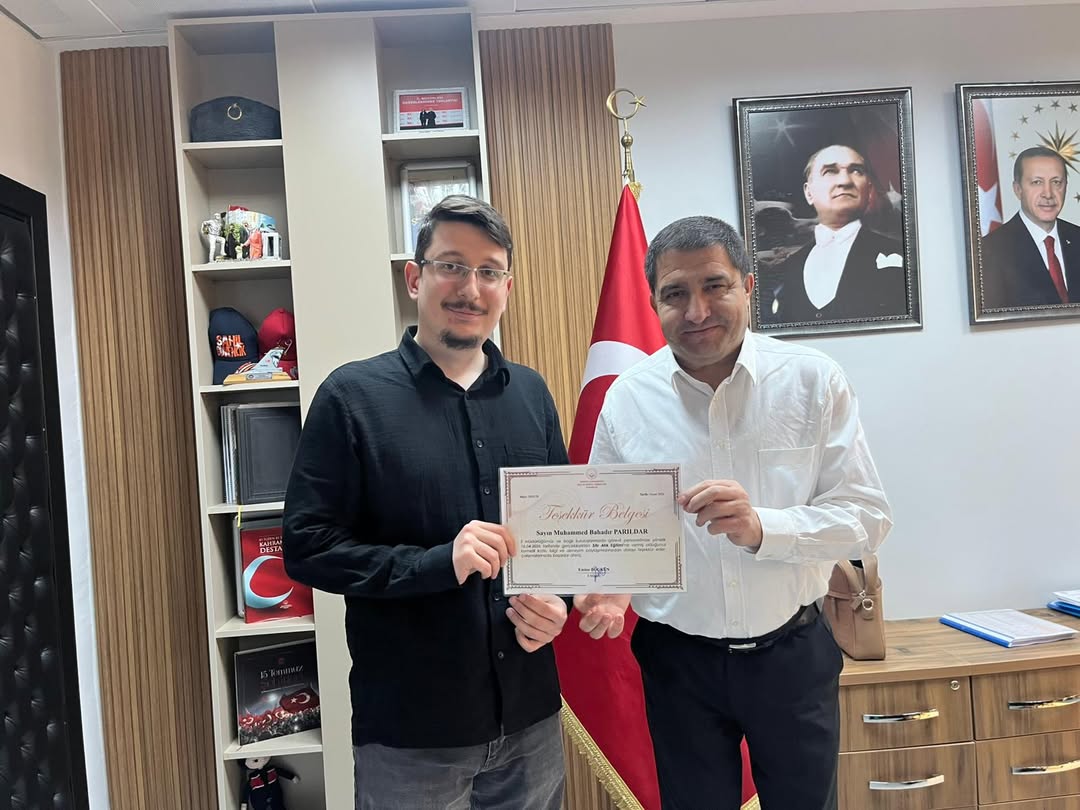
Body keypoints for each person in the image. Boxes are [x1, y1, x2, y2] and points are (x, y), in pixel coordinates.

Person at [283, 195, 605, 810]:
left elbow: (562, 536)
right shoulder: (351, 397)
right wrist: (437, 562)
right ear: (415, 277)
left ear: (507, 288)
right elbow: (308, 548)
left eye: (489, 271)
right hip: (411, 734)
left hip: (531, 721)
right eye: (451, 266)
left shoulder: (531, 394)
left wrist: (559, 603)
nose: (470, 288)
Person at [586, 215, 893, 809]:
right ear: (653, 304)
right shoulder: (626, 399)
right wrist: (606, 586)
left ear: (748, 286)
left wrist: (763, 527)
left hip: (792, 655)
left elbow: (867, 516)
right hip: (677, 661)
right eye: (675, 294)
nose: (697, 310)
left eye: (714, 286)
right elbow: (608, 525)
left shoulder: (812, 381)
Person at [766, 143, 907, 324]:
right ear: (809, 193)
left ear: (869, 190)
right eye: (830, 171)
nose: (845, 181)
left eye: (856, 171)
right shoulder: (791, 266)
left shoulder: (899, 253)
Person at [981, 146, 1078, 308]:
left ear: (1066, 187)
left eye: (1056, 182)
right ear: (1018, 189)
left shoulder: (1077, 238)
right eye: (1037, 182)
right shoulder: (990, 251)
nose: (1048, 194)